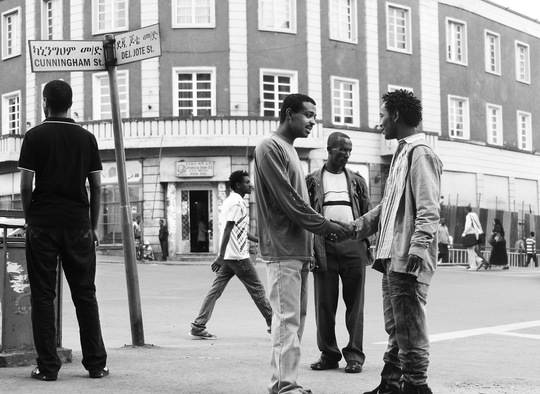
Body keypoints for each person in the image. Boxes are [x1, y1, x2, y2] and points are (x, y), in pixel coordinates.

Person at [253, 93, 350, 394]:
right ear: (288, 113)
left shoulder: (290, 150)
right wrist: (328, 227)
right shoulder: (270, 148)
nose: (312, 122)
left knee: (295, 320)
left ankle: (288, 381)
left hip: (299, 250)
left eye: (314, 117)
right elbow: (292, 203)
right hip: (282, 249)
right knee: (286, 321)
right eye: (307, 115)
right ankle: (283, 385)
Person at [349, 90, 442, 394]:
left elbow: (429, 207)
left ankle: (416, 386)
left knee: (410, 328)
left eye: (382, 116)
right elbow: (387, 205)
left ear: (397, 116)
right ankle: (390, 385)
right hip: (391, 255)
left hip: (407, 256)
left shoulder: (421, 153)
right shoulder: (402, 153)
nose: (380, 123)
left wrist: (419, 245)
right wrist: (355, 227)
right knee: (397, 327)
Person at [18, 80, 108, 381]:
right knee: (85, 295)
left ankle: (47, 367)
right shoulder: (87, 138)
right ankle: (96, 365)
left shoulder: (34, 137)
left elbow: (25, 186)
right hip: (78, 226)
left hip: (43, 225)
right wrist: (93, 226)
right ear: (70, 104)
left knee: (43, 296)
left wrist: (32, 221)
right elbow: (96, 186)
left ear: (45, 102)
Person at [305, 132, 371, 374]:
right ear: (329, 149)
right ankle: (329, 354)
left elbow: (366, 214)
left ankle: (354, 356)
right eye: (342, 149)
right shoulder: (312, 181)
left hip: (353, 245)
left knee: (355, 304)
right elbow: (305, 215)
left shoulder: (357, 180)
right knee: (325, 303)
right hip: (323, 247)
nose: (347, 154)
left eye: (349, 150)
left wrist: (366, 244)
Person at [190, 170, 272, 339]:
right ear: (238, 185)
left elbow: (239, 229)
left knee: (215, 291)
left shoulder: (233, 201)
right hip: (237, 256)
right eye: (247, 182)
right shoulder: (236, 203)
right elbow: (228, 228)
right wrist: (220, 256)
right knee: (257, 290)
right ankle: (274, 323)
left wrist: (258, 241)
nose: (251, 185)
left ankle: (198, 326)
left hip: (230, 255)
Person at [462, 206, 484, 270]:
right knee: (472, 250)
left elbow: (468, 226)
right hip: (476, 234)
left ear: (466, 210)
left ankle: (473, 266)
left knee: (470, 250)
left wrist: (464, 233)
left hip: (470, 234)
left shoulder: (468, 216)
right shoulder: (475, 215)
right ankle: (479, 260)